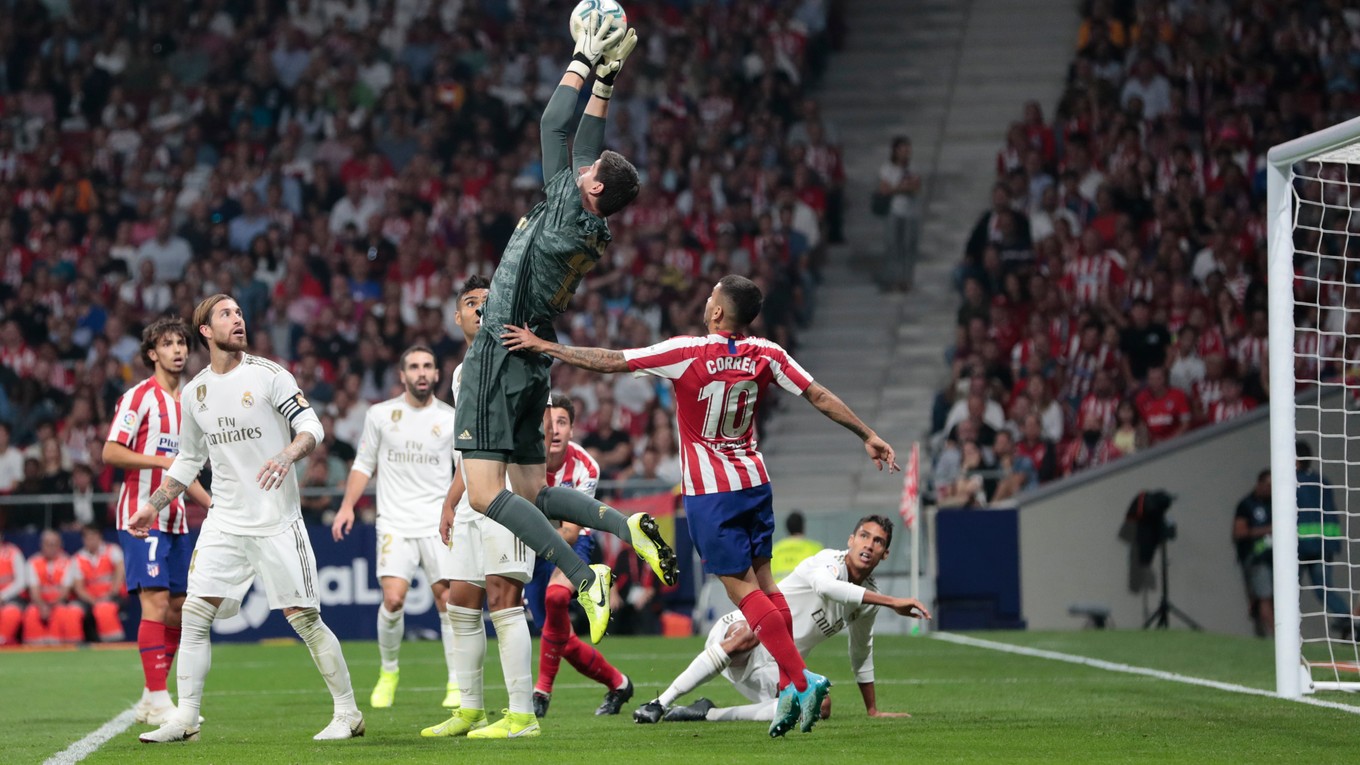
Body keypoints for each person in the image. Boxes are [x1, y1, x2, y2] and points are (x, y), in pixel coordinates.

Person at [502, 274, 900, 738]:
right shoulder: (768, 353)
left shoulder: (687, 351)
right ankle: (791, 684)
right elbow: (818, 395)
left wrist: (545, 346)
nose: (706, 299)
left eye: (711, 295)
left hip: (712, 494)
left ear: (717, 312)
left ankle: (799, 682)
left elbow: (611, 361)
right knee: (766, 583)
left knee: (742, 592)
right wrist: (867, 434)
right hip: (755, 482)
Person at [451, 14, 674, 659]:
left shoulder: (562, 207)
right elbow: (586, 146)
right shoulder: (591, 223)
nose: (581, 166)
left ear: (593, 187)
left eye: (589, 169)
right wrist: (607, 79)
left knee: (486, 495)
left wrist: (581, 57)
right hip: (533, 360)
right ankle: (626, 527)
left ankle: (584, 575)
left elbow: (554, 126)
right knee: (532, 493)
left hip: (499, 352)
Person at [129, 294, 362, 742]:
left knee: (304, 619)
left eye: (239, 312)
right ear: (205, 331)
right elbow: (188, 459)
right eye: (226, 314)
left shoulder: (269, 375)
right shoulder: (195, 392)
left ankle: (348, 713)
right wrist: (152, 505)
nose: (238, 319)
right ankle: (186, 719)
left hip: (277, 520)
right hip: (225, 520)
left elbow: (312, 427)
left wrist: (288, 454)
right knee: (195, 613)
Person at [633, 516, 929, 724]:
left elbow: (861, 651)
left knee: (820, 705)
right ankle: (660, 703)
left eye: (878, 541)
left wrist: (872, 709)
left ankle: (707, 713)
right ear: (851, 540)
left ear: (885, 553)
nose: (869, 545)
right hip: (741, 631)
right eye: (864, 536)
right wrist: (893, 602)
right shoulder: (828, 561)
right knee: (749, 633)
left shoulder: (868, 601)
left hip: (776, 667)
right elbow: (826, 588)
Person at [421, 276, 540, 740]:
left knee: (503, 599)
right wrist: (450, 501)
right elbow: (468, 450)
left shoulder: (517, 356)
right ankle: (470, 709)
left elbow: (535, 432)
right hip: (471, 501)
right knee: (461, 602)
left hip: (506, 496)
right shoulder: (460, 372)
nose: (477, 309)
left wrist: (531, 495)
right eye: (469, 303)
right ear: (457, 317)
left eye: (486, 302)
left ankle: (522, 715)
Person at [330, 344, 459, 709]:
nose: (422, 372)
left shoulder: (450, 418)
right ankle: (389, 671)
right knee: (393, 599)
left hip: (437, 522)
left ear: (437, 374)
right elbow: (363, 464)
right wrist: (347, 506)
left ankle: (456, 680)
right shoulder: (381, 415)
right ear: (402, 375)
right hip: (395, 522)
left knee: (448, 601)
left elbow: (463, 470)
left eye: (428, 366)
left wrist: (453, 509)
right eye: (414, 366)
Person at [103, 317, 212, 724]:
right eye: (168, 344)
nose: (178, 350)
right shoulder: (138, 397)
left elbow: (188, 470)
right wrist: (161, 461)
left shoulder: (190, 403)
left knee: (180, 608)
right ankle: (161, 699)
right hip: (140, 516)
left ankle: (153, 696)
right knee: (156, 601)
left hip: (177, 519)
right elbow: (111, 452)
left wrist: (214, 506)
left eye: (182, 343)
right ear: (152, 353)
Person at [532, 393, 633, 718]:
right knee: (561, 639)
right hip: (531, 548)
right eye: (549, 423)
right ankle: (619, 684)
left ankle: (540, 693)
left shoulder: (586, 466)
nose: (554, 429)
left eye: (562, 422)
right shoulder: (524, 461)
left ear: (573, 429)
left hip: (571, 543)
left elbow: (571, 531)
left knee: (556, 597)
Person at [1295, 442, 1356, 639]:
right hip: (1324, 545)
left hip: (1300, 546)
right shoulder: (1323, 482)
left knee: (1290, 591)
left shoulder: (1291, 482)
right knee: (1324, 589)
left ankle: (1287, 629)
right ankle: (1348, 619)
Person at [877, 136, 922, 292]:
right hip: (894, 212)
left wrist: (896, 188)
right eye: (903, 149)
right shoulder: (887, 168)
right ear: (896, 151)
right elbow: (884, 190)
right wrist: (904, 187)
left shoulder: (913, 167)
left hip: (911, 213)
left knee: (909, 247)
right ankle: (893, 279)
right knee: (893, 246)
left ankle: (906, 279)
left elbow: (916, 188)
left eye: (908, 150)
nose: (907, 153)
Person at [23, 529, 83, 645]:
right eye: (48, 544)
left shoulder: (68, 562)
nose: (51, 548)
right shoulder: (32, 562)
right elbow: (34, 592)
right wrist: (42, 606)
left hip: (60, 603)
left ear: (60, 545)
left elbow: (65, 592)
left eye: (54, 544)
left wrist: (51, 606)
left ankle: (60, 645)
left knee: (62, 611)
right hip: (39, 603)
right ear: (41, 545)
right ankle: (33, 647)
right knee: (31, 612)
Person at [1232, 470, 1272, 637]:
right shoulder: (1247, 505)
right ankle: (1275, 638)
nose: (1271, 489)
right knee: (1264, 597)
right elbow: (1239, 532)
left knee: (1273, 599)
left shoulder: (1276, 503)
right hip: (1256, 559)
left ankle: (1268, 635)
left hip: (1274, 560)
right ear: (1259, 484)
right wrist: (1267, 530)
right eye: (1268, 485)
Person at [71, 524, 127, 642]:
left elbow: (120, 574)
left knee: (104, 608)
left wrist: (110, 594)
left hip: (114, 596)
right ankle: (74, 645)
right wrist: (94, 601)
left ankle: (113, 644)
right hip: (90, 599)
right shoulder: (77, 558)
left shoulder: (113, 551)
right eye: (87, 537)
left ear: (100, 536)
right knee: (73, 609)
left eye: (93, 536)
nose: (90, 540)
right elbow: (79, 588)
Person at [771, 511, 823, 581]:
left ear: (787, 527)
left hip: (779, 587)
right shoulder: (816, 548)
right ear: (803, 527)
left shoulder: (775, 549)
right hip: (805, 588)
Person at [0, 530, 25, 645]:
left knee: (11, 612)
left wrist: (2, 596)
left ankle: (4, 642)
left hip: (11, 598)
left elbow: (21, 581)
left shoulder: (13, 552)